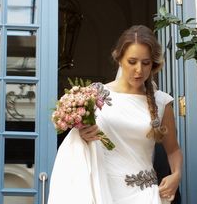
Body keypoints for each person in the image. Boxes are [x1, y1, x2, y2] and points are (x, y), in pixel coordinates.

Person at [47, 25, 183, 204]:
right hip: (102, 191)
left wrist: (177, 175)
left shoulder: (162, 102)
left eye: (146, 62)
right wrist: (82, 135)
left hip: (144, 195)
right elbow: (80, 141)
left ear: (154, 63)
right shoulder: (93, 95)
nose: (139, 70)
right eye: (132, 61)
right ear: (119, 59)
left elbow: (173, 150)